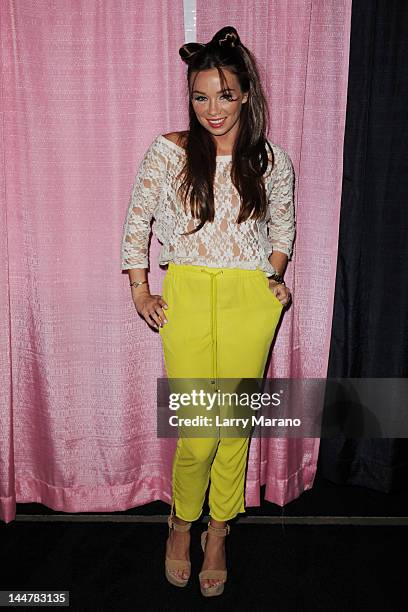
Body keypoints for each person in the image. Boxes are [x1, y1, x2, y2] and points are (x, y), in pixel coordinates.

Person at [121, 26, 295, 597]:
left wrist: (272, 279)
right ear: (189, 97)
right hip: (189, 295)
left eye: (224, 94)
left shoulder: (272, 161)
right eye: (201, 96)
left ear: (246, 93)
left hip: (250, 301)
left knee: (235, 428)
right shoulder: (169, 150)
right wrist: (142, 290)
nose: (212, 109)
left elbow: (282, 231)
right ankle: (181, 521)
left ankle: (218, 532)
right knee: (199, 432)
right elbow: (137, 221)